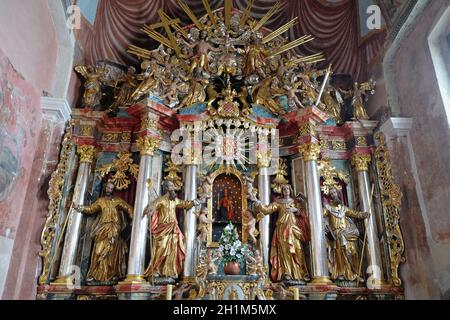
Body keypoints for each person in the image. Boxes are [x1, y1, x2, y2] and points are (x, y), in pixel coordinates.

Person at [73, 181, 133, 282]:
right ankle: (95, 272)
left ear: (113, 190)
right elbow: (91, 209)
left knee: (112, 250)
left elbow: (128, 207)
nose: (108, 190)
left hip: (114, 227)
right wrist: (78, 207)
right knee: (98, 250)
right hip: (103, 228)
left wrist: (132, 215)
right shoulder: (100, 201)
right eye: (107, 188)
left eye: (110, 188)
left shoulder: (117, 201)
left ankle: (112, 273)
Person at [255, 184, 310, 282]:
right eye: (284, 189)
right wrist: (257, 201)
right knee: (285, 251)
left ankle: (301, 272)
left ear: (290, 190)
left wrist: (296, 210)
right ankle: (287, 272)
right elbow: (266, 210)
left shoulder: (296, 202)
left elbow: (304, 213)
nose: (286, 190)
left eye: (287, 188)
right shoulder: (279, 202)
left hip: (294, 229)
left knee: (298, 250)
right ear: (281, 191)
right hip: (282, 229)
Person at [143, 180, 198, 279]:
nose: (173, 188)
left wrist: (193, 202)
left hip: (173, 228)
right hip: (162, 229)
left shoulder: (175, 200)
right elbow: (150, 208)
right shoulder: (161, 200)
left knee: (173, 249)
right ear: (166, 188)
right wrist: (149, 209)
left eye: (173, 186)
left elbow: (184, 204)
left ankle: (169, 271)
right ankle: (156, 270)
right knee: (161, 249)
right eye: (170, 186)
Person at [323, 187, 369, 282]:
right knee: (340, 254)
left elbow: (354, 213)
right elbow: (320, 216)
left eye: (334, 192)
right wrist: (325, 224)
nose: (333, 195)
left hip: (346, 233)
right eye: (331, 194)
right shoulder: (328, 208)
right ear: (330, 196)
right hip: (336, 234)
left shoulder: (344, 208)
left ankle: (356, 273)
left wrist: (363, 214)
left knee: (352, 252)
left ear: (338, 193)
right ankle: (341, 272)